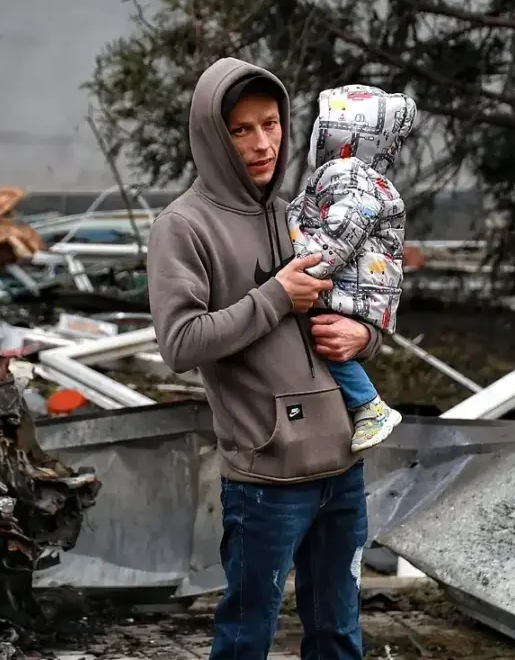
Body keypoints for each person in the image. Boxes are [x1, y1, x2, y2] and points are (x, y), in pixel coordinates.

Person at [146, 57, 385, 660]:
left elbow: (356, 301)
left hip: (342, 464)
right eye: (241, 129)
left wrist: (365, 339)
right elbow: (181, 343)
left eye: (272, 125)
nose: (262, 144)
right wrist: (275, 295)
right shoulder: (184, 226)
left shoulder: (297, 211)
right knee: (245, 637)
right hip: (265, 478)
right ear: (211, 134)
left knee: (337, 636)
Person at [287, 84, 417, 453]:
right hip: (362, 287)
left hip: (348, 286)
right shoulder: (358, 177)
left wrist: (308, 269)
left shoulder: (346, 174)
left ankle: (370, 407)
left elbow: (342, 231)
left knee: (317, 336)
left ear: (341, 140)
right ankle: (364, 406)